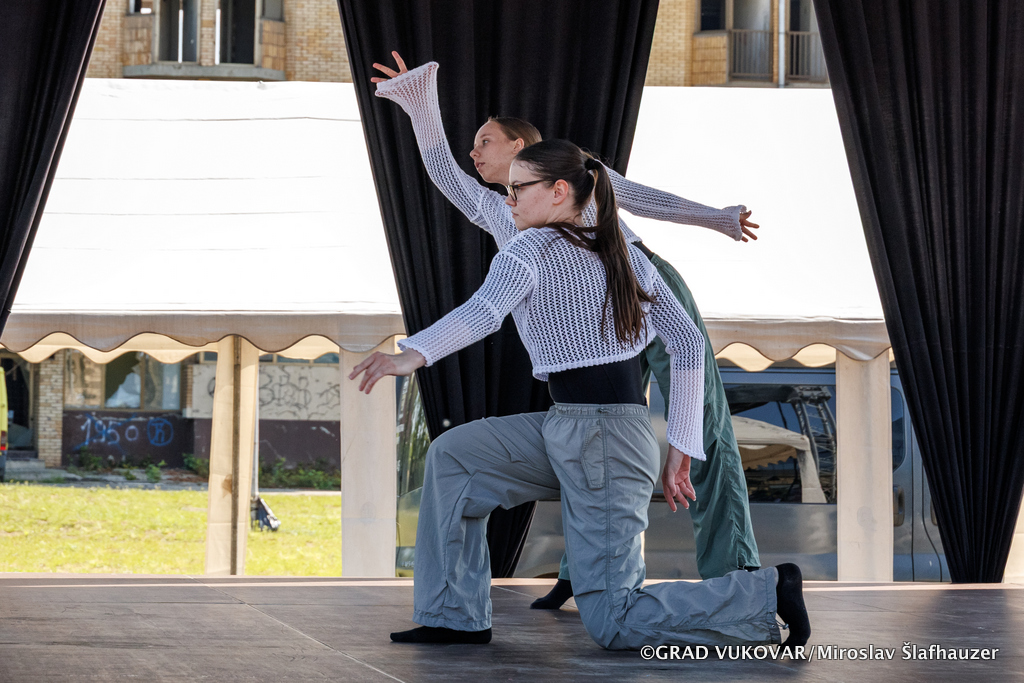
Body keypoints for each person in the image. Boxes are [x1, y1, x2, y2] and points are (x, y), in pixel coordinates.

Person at [349, 138, 810, 650]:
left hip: (605, 445)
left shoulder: (541, 249)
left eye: (518, 188)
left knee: (614, 620)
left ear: (558, 191)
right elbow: (685, 342)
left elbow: (483, 312)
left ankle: (765, 593)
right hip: (568, 425)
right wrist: (679, 444)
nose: (508, 200)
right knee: (455, 457)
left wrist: (411, 355)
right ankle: (453, 615)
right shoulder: (617, 252)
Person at [371, 53, 761, 607]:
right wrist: (420, 104)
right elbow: (442, 171)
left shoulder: (578, 178)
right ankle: (581, 573)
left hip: (640, 288)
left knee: (700, 425)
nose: (473, 152)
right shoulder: (504, 213)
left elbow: (645, 198)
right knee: (592, 435)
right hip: (594, 332)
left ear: (520, 147)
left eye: (485, 141)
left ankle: (737, 576)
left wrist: (716, 218)